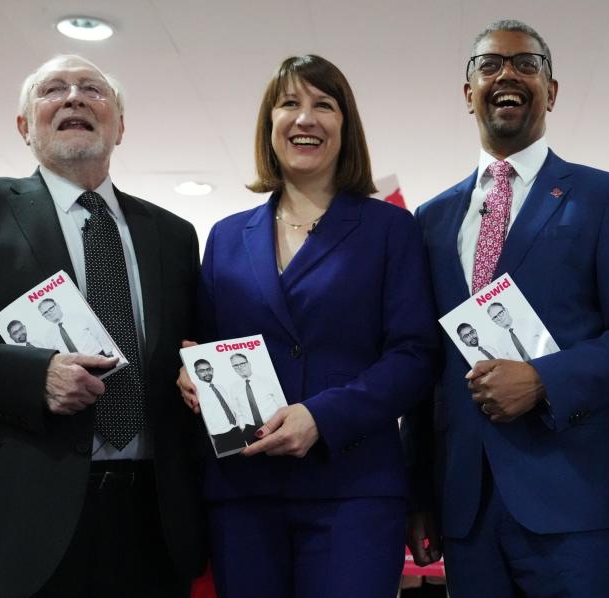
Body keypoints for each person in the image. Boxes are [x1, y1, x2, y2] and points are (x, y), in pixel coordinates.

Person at [403, 19, 609, 597]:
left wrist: (542, 380)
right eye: (489, 64)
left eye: (527, 63)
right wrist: (422, 495)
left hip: (573, 500)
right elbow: (426, 369)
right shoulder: (430, 220)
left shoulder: (606, 196)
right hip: (467, 508)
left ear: (551, 92)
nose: (507, 73)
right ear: (467, 93)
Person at [0, 55, 205, 597]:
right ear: (26, 126)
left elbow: (187, 351)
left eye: (92, 89)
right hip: (14, 521)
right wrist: (34, 376)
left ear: (120, 125)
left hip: (152, 522)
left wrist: (193, 367)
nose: (74, 97)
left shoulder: (173, 234)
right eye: (53, 89)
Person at [176, 54, 439, 598]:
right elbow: (203, 344)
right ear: (269, 125)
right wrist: (190, 372)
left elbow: (414, 356)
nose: (305, 118)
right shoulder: (226, 236)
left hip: (355, 490)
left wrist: (321, 417)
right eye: (289, 103)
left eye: (324, 104)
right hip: (243, 493)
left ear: (346, 126)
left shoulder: (390, 229)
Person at [193, 359, 250, 454]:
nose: (207, 373)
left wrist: (240, 424)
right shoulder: (196, 393)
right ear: (196, 373)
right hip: (220, 437)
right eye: (202, 371)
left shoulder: (219, 387)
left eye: (208, 369)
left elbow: (230, 407)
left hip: (235, 430)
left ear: (212, 370)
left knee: (246, 457)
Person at [227, 353, 284, 439]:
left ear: (248, 363)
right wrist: (242, 428)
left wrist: (282, 423)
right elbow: (237, 411)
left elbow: (281, 403)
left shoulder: (267, 381)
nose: (239, 367)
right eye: (235, 365)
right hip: (250, 430)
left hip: (274, 424)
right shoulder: (234, 388)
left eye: (242, 363)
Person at [38, 297, 113, 356]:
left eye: (51, 308)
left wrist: (108, 352)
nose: (49, 313)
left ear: (57, 305)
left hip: (98, 357)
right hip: (76, 369)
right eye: (45, 313)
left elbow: (99, 334)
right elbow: (56, 356)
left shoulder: (80, 317)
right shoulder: (48, 336)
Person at [485, 301, 557, 360]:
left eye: (500, 313)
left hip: (549, 361)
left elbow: (550, 342)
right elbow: (511, 365)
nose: (499, 318)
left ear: (506, 310)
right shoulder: (501, 343)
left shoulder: (529, 322)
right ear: (494, 321)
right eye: (495, 317)